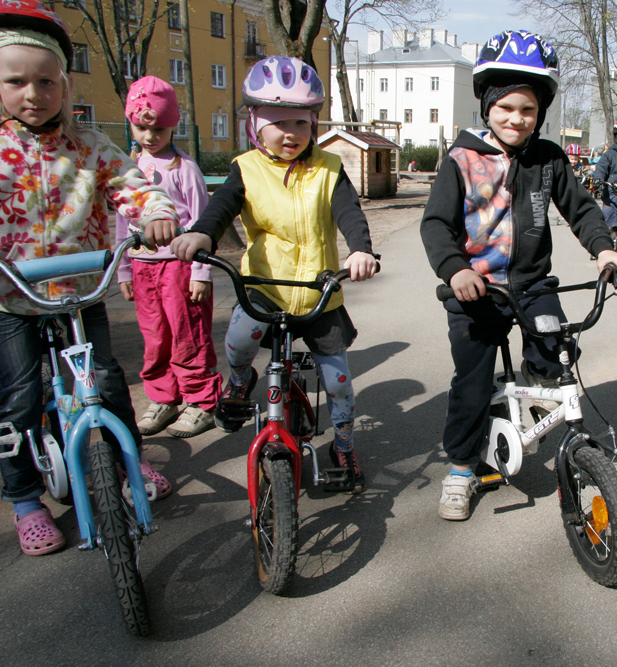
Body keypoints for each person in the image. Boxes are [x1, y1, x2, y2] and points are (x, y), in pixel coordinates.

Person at [420, 30, 617, 521]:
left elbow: (582, 211)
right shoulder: (461, 159)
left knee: (553, 350)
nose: (517, 119)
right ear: (488, 106)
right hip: (477, 288)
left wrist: (605, 250)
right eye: (507, 108)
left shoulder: (549, 159)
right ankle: (461, 468)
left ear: (541, 113)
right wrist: (455, 270)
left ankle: (533, 397)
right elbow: (435, 224)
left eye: (528, 110)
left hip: (533, 286)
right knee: (470, 383)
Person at [0, 0, 178, 555]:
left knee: (104, 380)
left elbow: (129, 180)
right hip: (13, 297)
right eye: (16, 81)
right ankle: (25, 499)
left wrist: (153, 211)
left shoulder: (86, 145)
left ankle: (129, 463)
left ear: (65, 85)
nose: (34, 93)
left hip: (80, 293)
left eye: (47, 81)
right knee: (19, 400)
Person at [171, 56, 378, 493]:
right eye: (278, 122)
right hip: (264, 288)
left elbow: (349, 213)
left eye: (301, 124)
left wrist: (361, 249)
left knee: (338, 382)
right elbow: (220, 207)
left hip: (318, 292)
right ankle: (242, 378)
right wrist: (201, 236)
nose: (291, 134)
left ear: (313, 125)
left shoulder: (330, 168)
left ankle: (342, 445)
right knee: (238, 343)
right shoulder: (245, 168)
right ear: (255, 123)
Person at [116, 76, 222, 439]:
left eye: (159, 128)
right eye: (142, 127)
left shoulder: (184, 168)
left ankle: (201, 400)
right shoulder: (125, 171)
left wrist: (201, 273)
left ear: (173, 124)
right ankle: (163, 397)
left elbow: (202, 225)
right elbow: (121, 221)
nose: (150, 136)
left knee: (187, 334)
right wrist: (124, 272)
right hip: (143, 267)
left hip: (178, 268)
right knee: (155, 337)